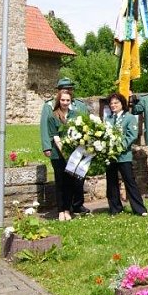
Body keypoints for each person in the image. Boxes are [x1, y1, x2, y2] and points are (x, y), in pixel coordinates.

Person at [39, 78, 90, 215]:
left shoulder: (79, 105)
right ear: (58, 91)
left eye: (69, 88)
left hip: (78, 149)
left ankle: (78, 204)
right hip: (57, 148)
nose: (67, 90)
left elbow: (86, 124)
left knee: (79, 177)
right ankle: (65, 208)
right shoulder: (49, 106)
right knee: (63, 179)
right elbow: (45, 126)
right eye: (64, 89)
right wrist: (46, 146)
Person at [104, 92, 147, 216]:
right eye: (111, 103)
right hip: (110, 156)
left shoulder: (129, 117)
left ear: (122, 104)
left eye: (116, 103)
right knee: (111, 182)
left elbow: (132, 135)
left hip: (123, 156)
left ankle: (140, 209)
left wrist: (119, 147)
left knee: (129, 181)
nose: (113, 105)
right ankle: (115, 208)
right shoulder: (108, 119)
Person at [42, 89, 80, 221]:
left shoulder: (75, 115)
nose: (65, 102)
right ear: (59, 100)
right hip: (58, 155)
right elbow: (56, 137)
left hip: (72, 154)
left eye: (67, 100)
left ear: (71, 101)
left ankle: (67, 209)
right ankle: (60, 211)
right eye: (63, 100)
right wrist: (66, 154)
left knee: (70, 182)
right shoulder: (53, 116)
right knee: (60, 182)